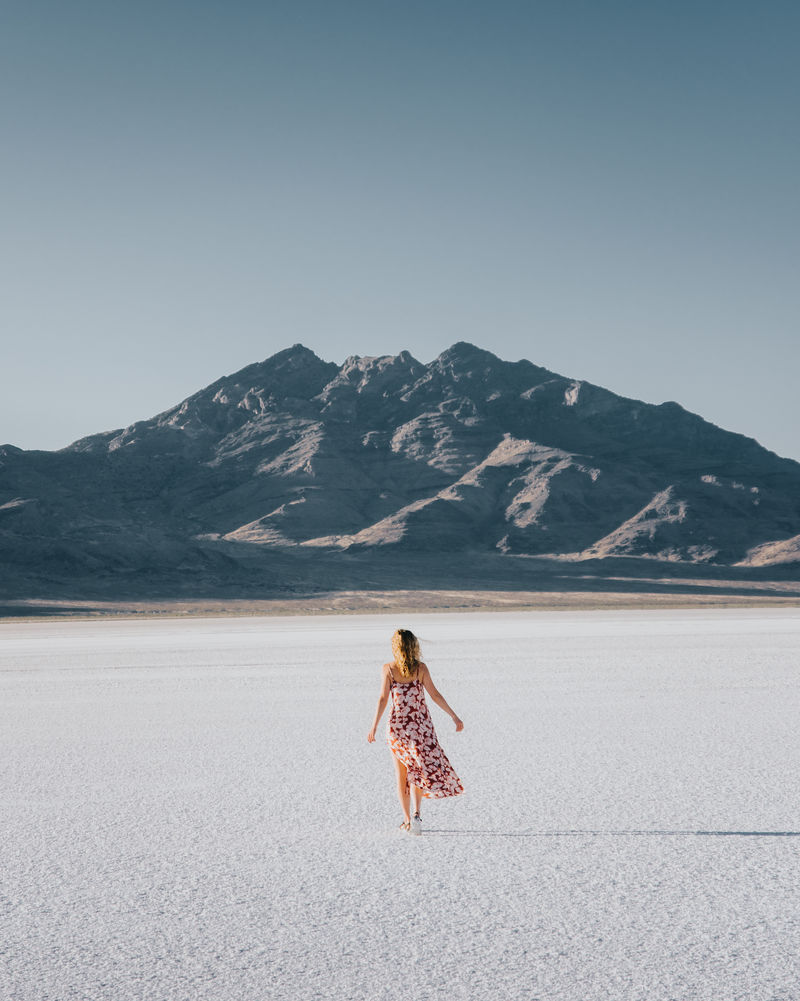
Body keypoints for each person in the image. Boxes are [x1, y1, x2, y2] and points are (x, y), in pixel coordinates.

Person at [367, 628, 464, 834]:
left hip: (397, 729)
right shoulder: (420, 669)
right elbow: (435, 695)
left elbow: (383, 699)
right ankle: (417, 815)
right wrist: (453, 716)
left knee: (401, 775)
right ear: (413, 646)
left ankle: (407, 820)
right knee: (417, 772)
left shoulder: (389, 669)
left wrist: (374, 726)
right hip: (420, 728)